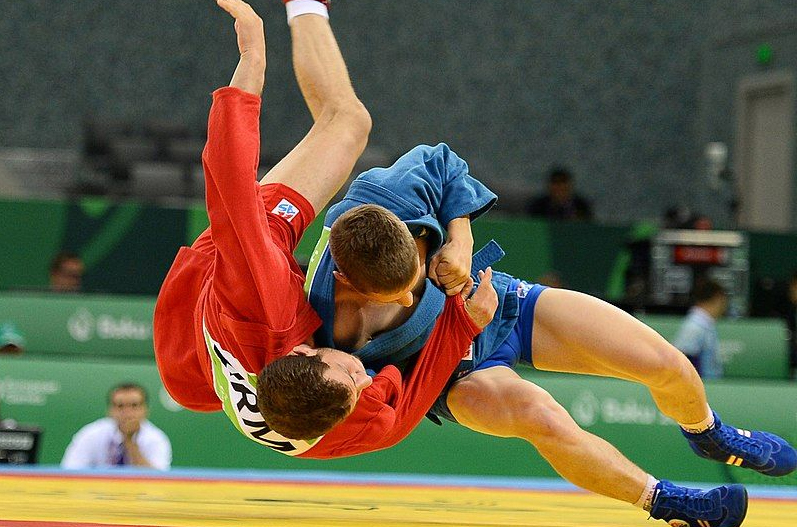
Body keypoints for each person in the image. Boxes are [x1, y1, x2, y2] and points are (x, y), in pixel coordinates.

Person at [266, 144, 795, 527]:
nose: (411, 298)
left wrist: (460, 236)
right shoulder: (313, 333)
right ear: (347, 282)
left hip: (505, 305)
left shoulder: (380, 198)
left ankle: (707, 433)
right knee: (542, 417)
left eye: (416, 281)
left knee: (665, 363)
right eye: (396, 296)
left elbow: (445, 162)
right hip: (454, 373)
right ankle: (668, 504)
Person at [153, 0, 494, 457]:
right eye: (359, 383)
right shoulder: (353, 415)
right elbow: (407, 408)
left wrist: (251, 62)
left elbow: (228, 182)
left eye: (349, 372)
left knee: (348, 122)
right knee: (345, 121)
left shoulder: (264, 299)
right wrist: (463, 323)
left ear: (301, 352)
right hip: (191, 373)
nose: (364, 372)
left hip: (219, 286)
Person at [61, 383, 171, 470]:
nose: (127, 412)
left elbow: (159, 480)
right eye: (120, 406)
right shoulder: (91, 434)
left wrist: (129, 442)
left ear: (145, 410)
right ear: (110, 411)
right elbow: (70, 471)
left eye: (134, 405)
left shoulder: (157, 439)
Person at [673, 279, 728, 379]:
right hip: (699, 387)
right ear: (718, 298)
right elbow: (682, 357)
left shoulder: (706, 324)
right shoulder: (694, 326)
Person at [526, 166, 593, 221]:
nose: (559, 187)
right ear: (549, 186)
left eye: (563, 182)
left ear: (570, 185)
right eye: (555, 182)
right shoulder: (538, 206)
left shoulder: (581, 206)